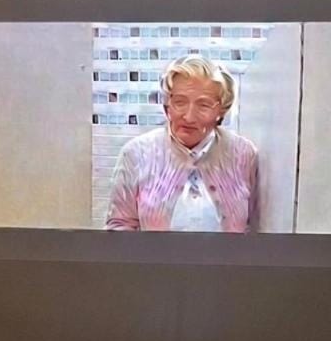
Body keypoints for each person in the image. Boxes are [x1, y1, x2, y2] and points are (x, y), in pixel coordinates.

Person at [105, 54, 259, 232]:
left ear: (221, 110)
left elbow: (255, 228)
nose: (189, 116)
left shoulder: (243, 154)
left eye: (203, 105)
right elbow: (119, 226)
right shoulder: (136, 153)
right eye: (179, 102)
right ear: (167, 105)